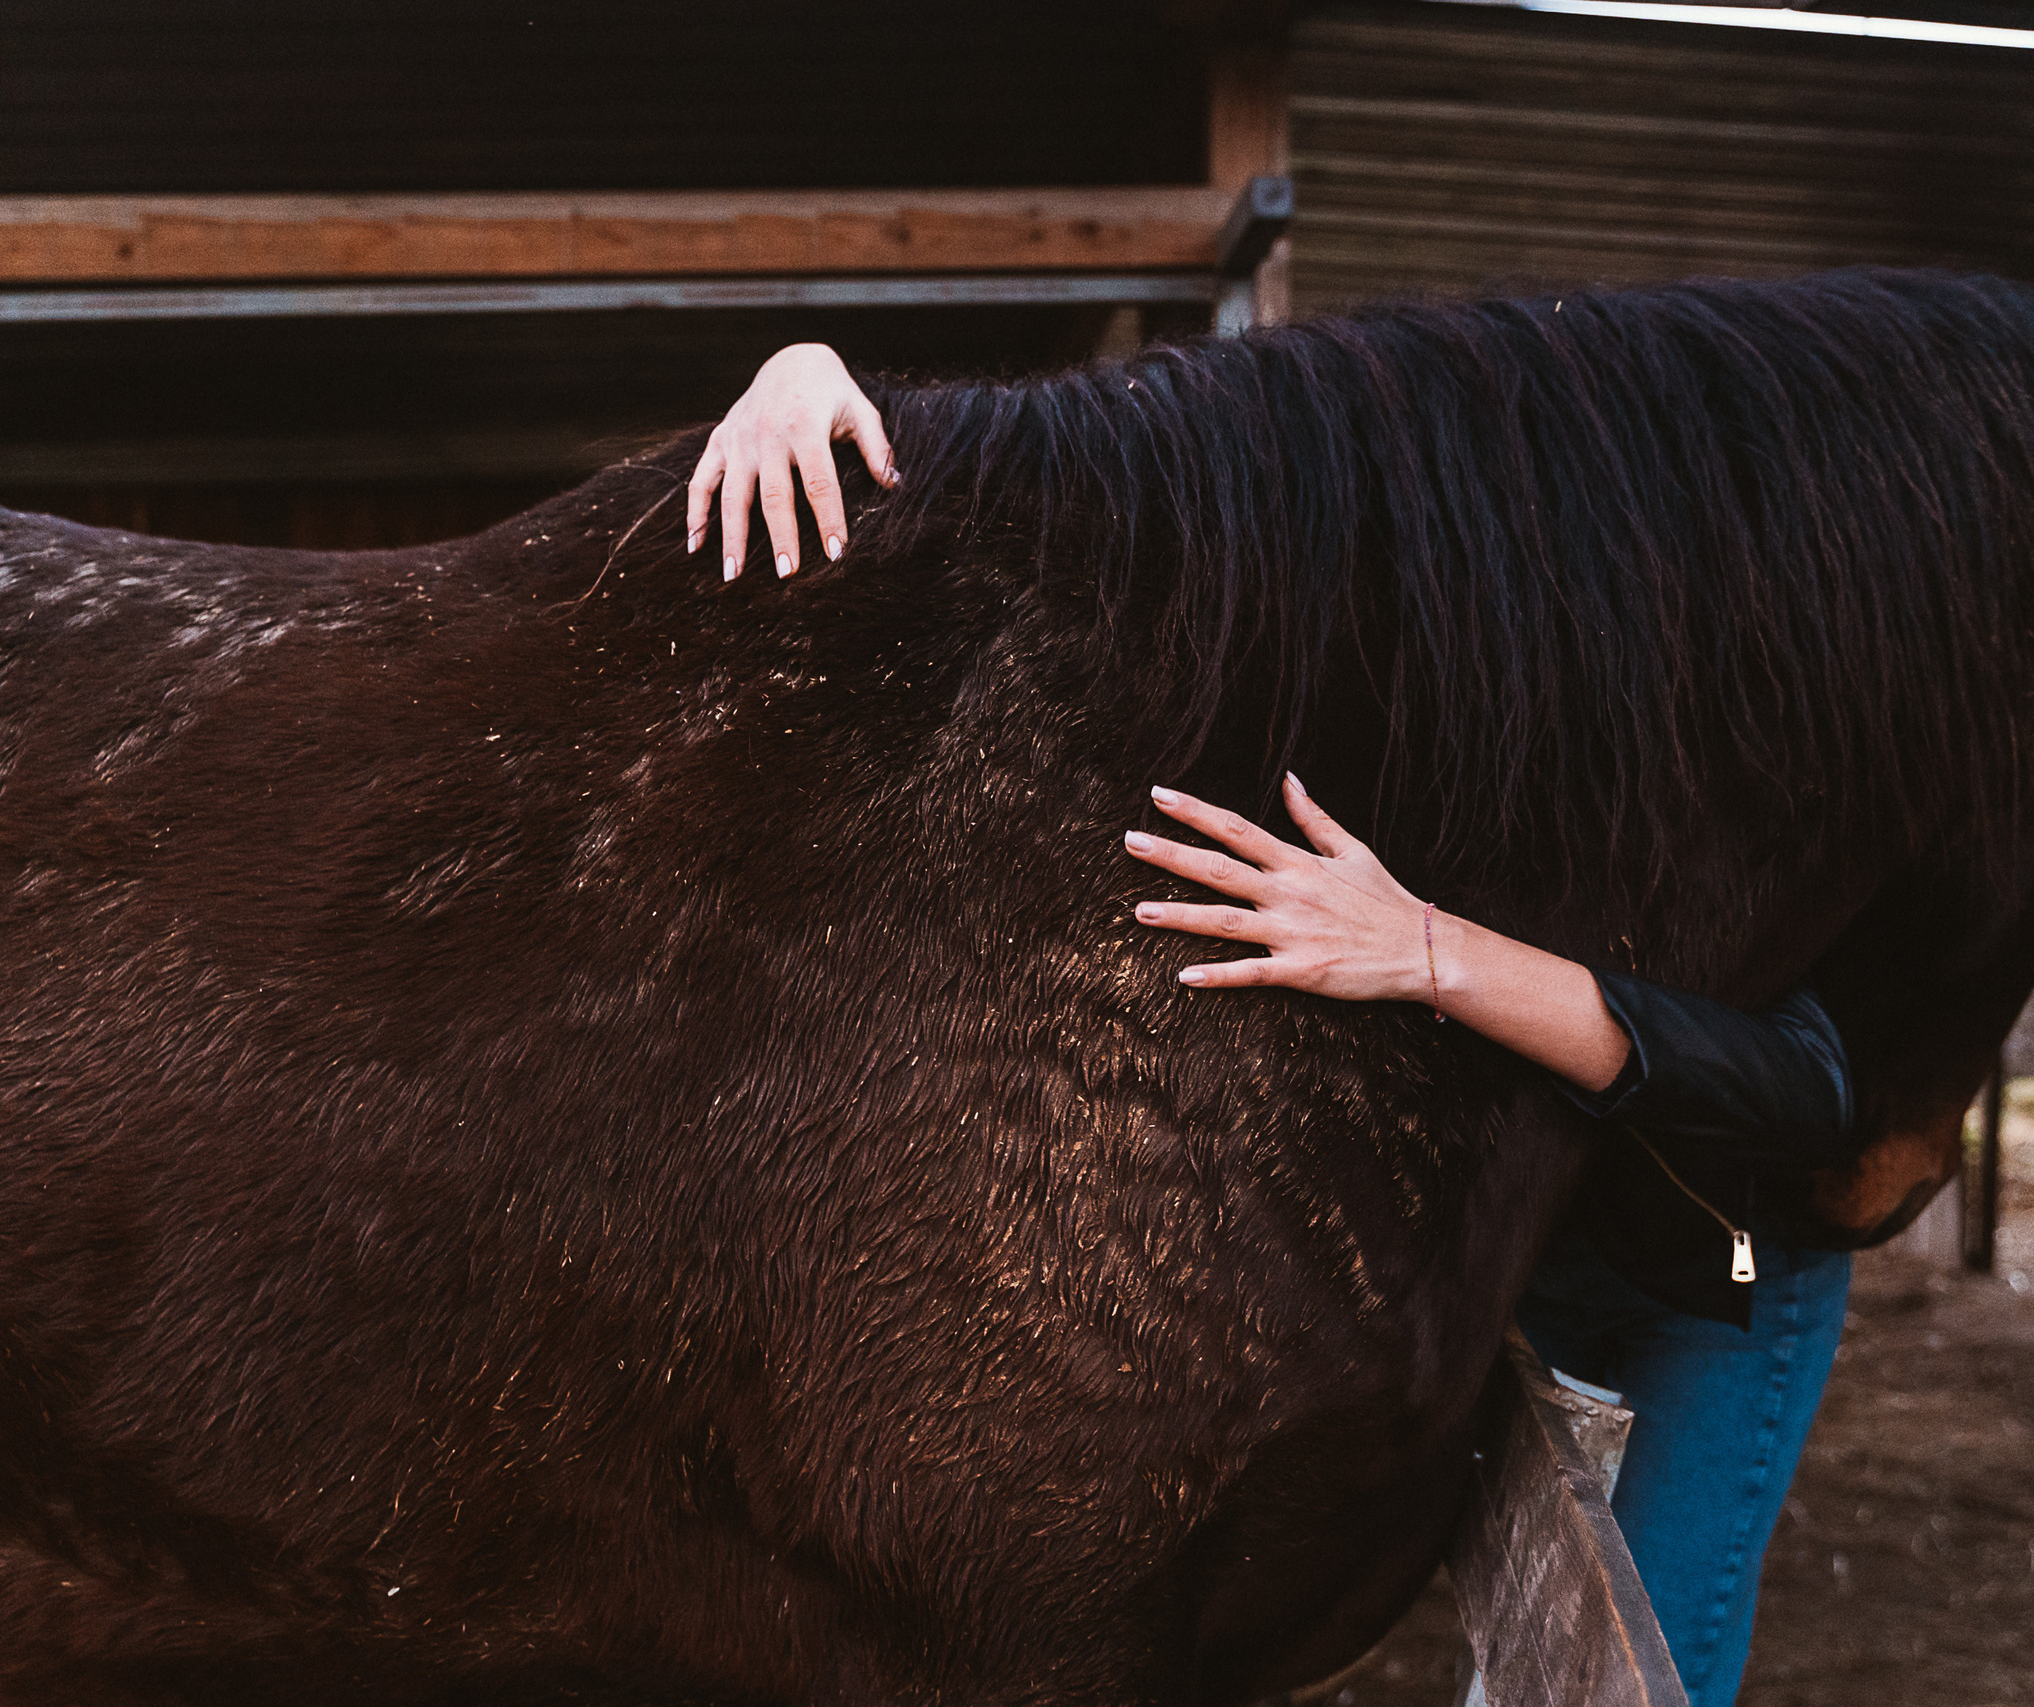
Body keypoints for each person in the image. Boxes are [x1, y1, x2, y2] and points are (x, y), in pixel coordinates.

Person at [686, 345, 1858, 1707]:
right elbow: (1120, 467)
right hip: (1555, 1215)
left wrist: (1424, 951)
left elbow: (1808, 1090)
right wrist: (809, 370)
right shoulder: (1410, 658)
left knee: (1634, 1668)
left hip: (1714, 1260)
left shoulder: (1740, 742)